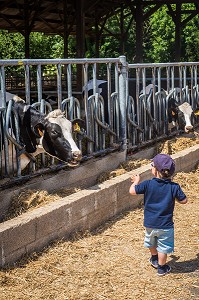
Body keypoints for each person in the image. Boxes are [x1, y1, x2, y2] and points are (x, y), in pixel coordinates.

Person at [129, 153, 187, 276]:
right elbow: (184, 201)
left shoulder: (148, 184)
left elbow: (132, 191)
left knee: (151, 242)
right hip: (166, 225)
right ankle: (161, 268)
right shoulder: (174, 187)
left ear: (155, 170)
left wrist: (136, 181)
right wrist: (175, 197)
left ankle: (154, 258)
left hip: (150, 223)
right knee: (163, 247)